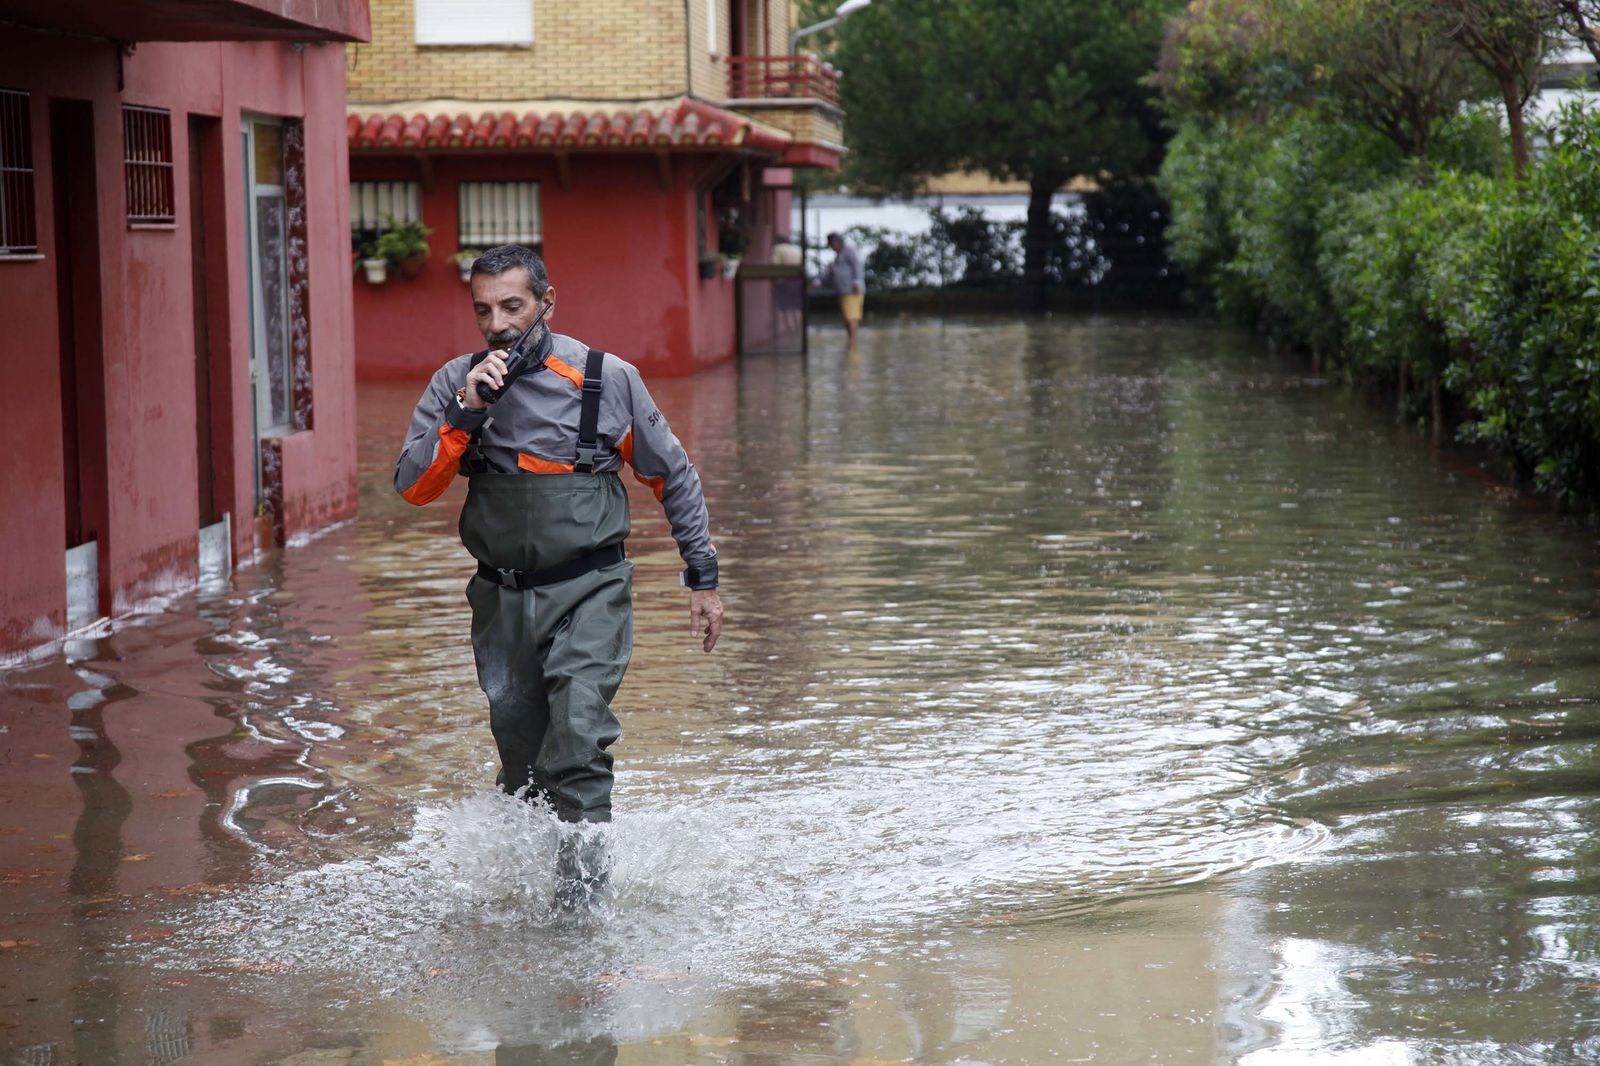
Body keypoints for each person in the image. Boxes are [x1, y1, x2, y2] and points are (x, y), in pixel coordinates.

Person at [393, 244, 725, 904]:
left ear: (547, 302)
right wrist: (465, 414)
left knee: (575, 739)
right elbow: (414, 490)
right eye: (484, 311)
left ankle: (582, 913)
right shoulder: (454, 384)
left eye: (513, 306)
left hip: (590, 589)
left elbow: (671, 474)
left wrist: (703, 575)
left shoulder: (606, 379)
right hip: (500, 600)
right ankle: (525, 895)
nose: (499, 324)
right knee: (522, 764)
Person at [824, 231, 865, 345]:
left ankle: (852, 343)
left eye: (832, 245)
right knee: (847, 318)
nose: (832, 248)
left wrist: (857, 282)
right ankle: (850, 341)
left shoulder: (849, 250)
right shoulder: (838, 256)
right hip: (843, 291)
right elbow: (831, 273)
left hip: (852, 290)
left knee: (852, 317)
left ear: (836, 242)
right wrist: (820, 281)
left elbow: (858, 265)